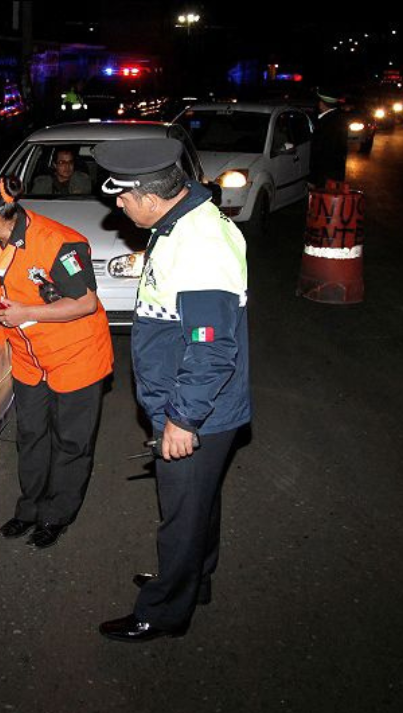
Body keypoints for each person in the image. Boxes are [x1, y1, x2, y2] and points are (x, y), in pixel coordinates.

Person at [90, 139, 251, 641]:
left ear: (151, 196)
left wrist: (182, 419)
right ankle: (191, 580)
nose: (117, 204)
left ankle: (162, 612)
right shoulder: (181, 222)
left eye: (123, 196)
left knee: (179, 513)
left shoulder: (199, 243)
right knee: (200, 503)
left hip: (195, 409)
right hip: (197, 405)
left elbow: (211, 349)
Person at [0, 173, 113, 549]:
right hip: (29, 357)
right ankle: (29, 509)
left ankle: (57, 515)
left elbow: (85, 302)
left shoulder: (59, 243)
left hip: (75, 356)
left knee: (71, 442)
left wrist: (26, 312)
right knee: (31, 435)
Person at [309, 91, 348, 187]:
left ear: (322, 104)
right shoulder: (337, 119)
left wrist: (313, 178)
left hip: (325, 176)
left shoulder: (328, 123)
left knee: (323, 199)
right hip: (332, 174)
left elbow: (322, 152)